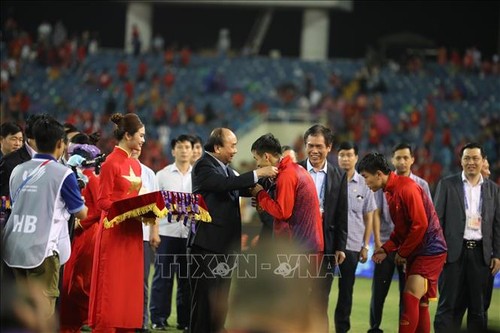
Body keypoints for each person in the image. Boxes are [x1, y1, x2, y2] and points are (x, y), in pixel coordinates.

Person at [188, 128, 278, 333]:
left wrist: (265, 180)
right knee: (204, 304)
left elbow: (240, 186)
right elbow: (224, 185)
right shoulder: (203, 165)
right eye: (233, 145)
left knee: (220, 303)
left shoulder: (226, 169)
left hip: (223, 248)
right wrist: (258, 173)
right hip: (207, 248)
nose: (236, 150)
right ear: (217, 147)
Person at [2, 116, 88, 330]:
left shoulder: (18, 170)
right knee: (42, 312)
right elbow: (81, 214)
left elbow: (16, 203)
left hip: (13, 247)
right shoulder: (63, 173)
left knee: (21, 310)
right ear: (60, 144)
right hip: (43, 250)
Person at [358, 152, 447, 333]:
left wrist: (402, 253)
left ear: (378, 174)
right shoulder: (390, 192)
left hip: (429, 250)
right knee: (420, 302)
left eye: (366, 178)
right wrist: (386, 248)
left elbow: (420, 225)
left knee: (409, 296)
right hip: (420, 249)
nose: (365, 183)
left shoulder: (407, 189)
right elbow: (400, 230)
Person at [88, 113, 146, 332]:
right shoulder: (111, 162)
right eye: (140, 136)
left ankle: (127, 325)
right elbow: (102, 202)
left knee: (129, 284)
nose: (143, 140)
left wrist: (145, 212)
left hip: (132, 232)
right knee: (111, 284)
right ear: (128, 135)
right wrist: (128, 212)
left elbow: (134, 199)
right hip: (114, 231)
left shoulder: (136, 165)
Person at [434, 143, 500, 333]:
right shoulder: (447, 184)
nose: (471, 162)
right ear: (461, 161)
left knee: (478, 310)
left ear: (483, 161)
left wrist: (497, 254)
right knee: (447, 306)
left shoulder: (493, 189)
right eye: (467, 158)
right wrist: (440, 251)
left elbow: (497, 224)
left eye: (475, 158)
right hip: (453, 255)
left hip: (481, 256)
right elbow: (437, 222)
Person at [368, 143, 432, 333]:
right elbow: (376, 213)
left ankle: (405, 329)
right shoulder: (382, 184)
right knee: (378, 291)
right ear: (392, 160)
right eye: (398, 157)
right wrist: (379, 242)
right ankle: (374, 328)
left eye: (406, 157)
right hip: (388, 244)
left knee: (409, 295)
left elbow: (425, 218)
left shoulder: (422, 185)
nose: (402, 161)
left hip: (411, 248)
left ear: (413, 159)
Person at [298, 124, 348, 332]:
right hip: (298, 247)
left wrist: (340, 246)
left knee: (321, 298)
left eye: (319, 146)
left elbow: (341, 213)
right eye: (310, 146)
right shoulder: (296, 171)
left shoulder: (338, 175)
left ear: (329, 147)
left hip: (326, 248)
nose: (314, 151)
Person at [250, 133, 324, 253]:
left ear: (266, 156)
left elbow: (283, 212)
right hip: (306, 244)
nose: (257, 164)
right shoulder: (292, 169)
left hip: (301, 247)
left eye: (256, 158)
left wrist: (260, 194)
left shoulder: (287, 175)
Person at [149, 134, 194, 331]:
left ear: (193, 151)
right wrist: (155, 231)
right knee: (162, 279)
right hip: (167, 233)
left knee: (186, 280)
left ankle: (184, 321)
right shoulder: (162, 175)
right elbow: (154, 207)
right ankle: (158, 319)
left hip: (189, 235)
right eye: (180, 147)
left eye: (187, 147)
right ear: (173, 150)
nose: (184, 150)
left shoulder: (198, 176)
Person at [60, 133, 102, 333]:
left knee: (79, 281)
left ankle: (85, 318)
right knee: (69, 280)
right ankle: (71, 321)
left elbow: (99, 209)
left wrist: (81, 223)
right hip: (74, 234)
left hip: (87, 235)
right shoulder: (74, 177)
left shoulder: (93, 179)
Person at [334, 142, 376, 333]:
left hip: (352, 244)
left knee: (346, 291)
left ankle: (342, 329)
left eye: (349, 155)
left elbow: (369, 216)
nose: (345, 158)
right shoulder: (331, 180)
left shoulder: (364, 184)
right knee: (319, 290)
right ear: (337, 157)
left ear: (356, 158)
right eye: (342, 155)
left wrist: (365, 245)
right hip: (329, 243)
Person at [133, 148, 159, 333]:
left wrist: (154, 232)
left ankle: (142, 322)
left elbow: (155, 206)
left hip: (141, 236)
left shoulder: (148, 173)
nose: (135, 150)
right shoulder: (114, 169)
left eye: (138, 148)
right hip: (120, 236)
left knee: (142, 282)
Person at [0, 114, 47, 197]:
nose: (17, 144)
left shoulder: (47, 157)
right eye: (13, 139)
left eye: (20, 140)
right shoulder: (8, 162)